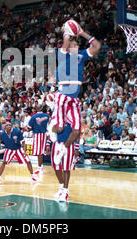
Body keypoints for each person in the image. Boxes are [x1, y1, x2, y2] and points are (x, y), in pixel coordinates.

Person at [50, 20, 100, 165]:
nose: (76, 45)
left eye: (77, 44)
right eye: (74, 44)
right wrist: (68, 32)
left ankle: (63, 149)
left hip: (74, 98)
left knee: (77, 131)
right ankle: (51, 128)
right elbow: (65, 43)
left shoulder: (81, 55)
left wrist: (82, 33)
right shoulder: (63, 54)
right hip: (63, 95)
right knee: (59, 127)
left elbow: (96, 46)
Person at [47, 122, 79, 202]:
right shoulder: (56, 118)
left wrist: (77, 148)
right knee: (56, 168)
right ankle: (61, 187)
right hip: (56, 144)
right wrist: (48, 144)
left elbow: (77, 134)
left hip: (68, 145)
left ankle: (65, 191)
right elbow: (50, 132)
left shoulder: (72, 119)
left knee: (66, 168)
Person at [27, 105, 49, 175]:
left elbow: (29, 127)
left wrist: (28, 128)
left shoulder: (34, 116)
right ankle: (41, 166)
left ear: (37, 108)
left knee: (39, 152)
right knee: (41, 152)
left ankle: (40, 168)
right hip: (44, 134)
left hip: (37, 134)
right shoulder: (47, 116)